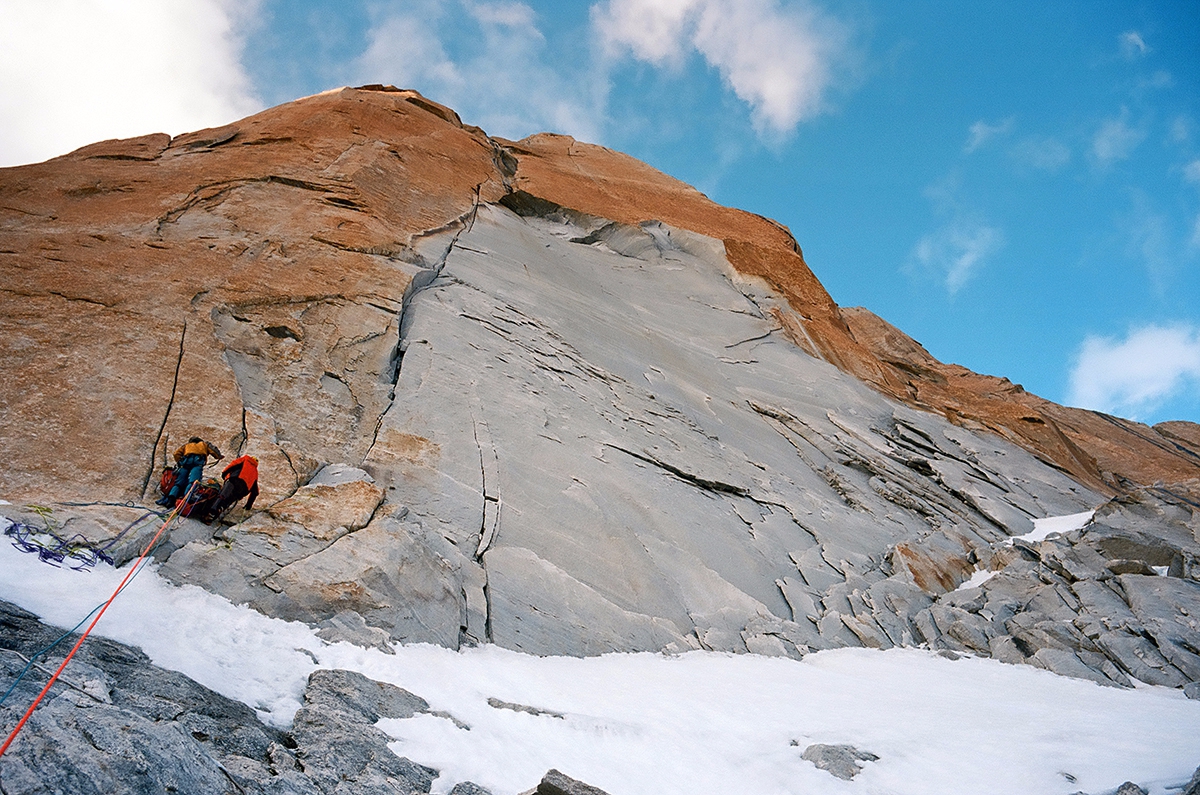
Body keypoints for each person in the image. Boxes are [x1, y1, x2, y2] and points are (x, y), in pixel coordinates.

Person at [157, 436, 223, 507]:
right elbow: (214, 450)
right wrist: (219, 456)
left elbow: (176, 454)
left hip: (185, 464)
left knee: (178, 483)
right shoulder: (204, 444)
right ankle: (185, 499)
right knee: (193, 482)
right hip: (197, 464)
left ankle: (171, 499)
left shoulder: (186, 446)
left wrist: (179, 461)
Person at [205, 454, 259, 522]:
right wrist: (248, 505)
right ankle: (215, 514)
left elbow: (233, 465)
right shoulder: (255, 473)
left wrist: (224, 473)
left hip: (235, 480)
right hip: (242, 491)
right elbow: (255, 492)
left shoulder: (245, 459)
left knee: (222, 496)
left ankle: (211, 511)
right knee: (228, 501)